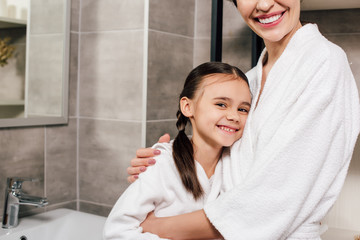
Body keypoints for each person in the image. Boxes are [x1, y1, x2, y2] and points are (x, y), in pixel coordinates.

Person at [127, 0, 360, 239]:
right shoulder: (252, 80)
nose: (266, 4)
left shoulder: (324, 61)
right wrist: (172, 159)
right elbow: (237, 155)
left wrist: (156, 226)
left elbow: (275, 198)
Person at [103, 62, 252, 239]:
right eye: (221, 104)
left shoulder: (236, 165)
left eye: (243, 109)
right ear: (187, 107)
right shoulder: (162, 163)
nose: (233, 116)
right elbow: (116, 231)